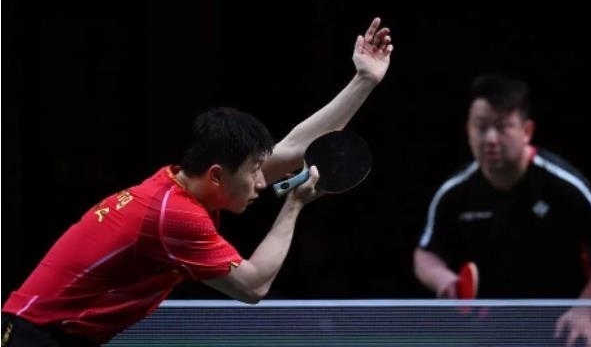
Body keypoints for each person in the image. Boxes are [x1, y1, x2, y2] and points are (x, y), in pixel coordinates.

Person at [1, 17, 394, 346]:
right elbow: (253, 286)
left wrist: (364, 80)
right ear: (217, 175)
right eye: (254, 171)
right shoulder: (174, 216)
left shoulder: (179, 186)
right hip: (33, 337)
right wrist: (294, 206)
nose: (262, 182)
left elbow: (292, 149)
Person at [413, 74, 591, 347]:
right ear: (468, 129)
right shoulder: (455, 192)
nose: (490, 138)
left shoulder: (560, 182)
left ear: (526, 131)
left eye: (502, 127)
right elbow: (425, 253)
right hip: (496, 324)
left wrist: (584, 309)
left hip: (567, 321)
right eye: (481, 126)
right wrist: (442, 279)